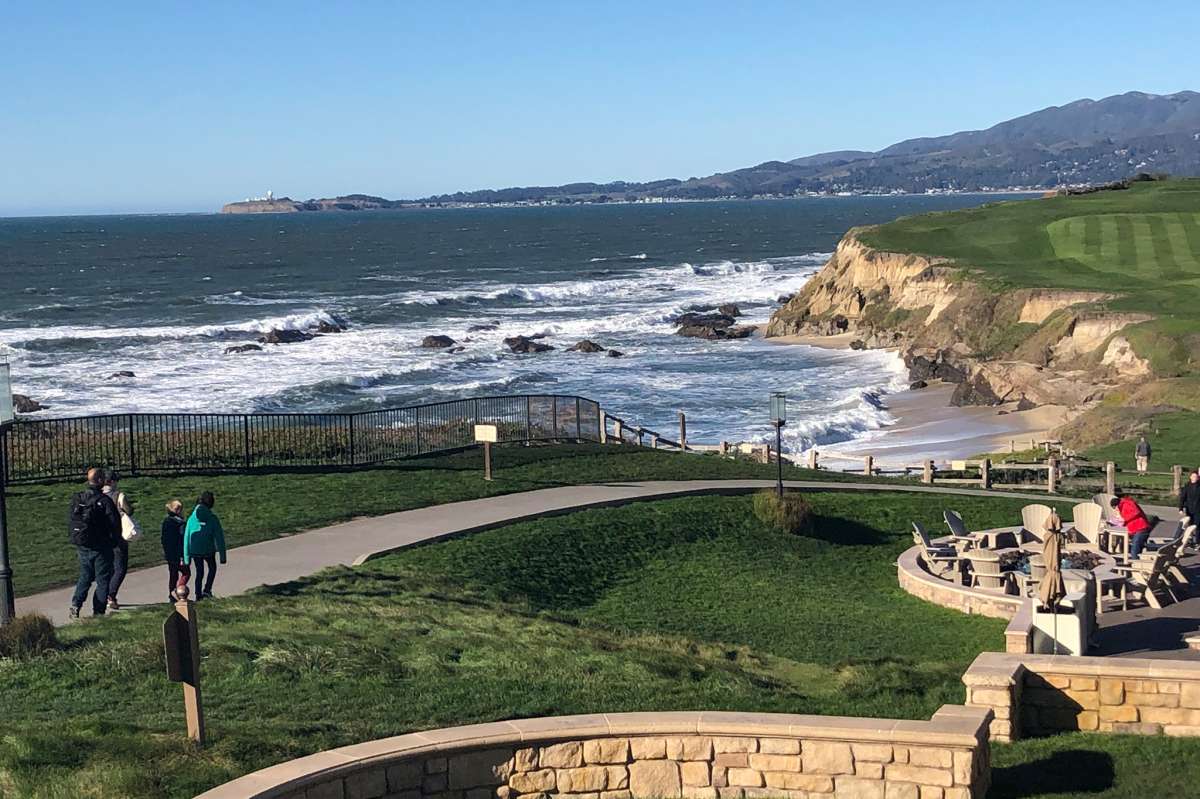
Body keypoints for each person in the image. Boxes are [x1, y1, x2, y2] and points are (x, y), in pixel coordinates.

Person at [68, 467, 122, 619]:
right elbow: (115, 524)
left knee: (85, 575)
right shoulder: (104, 501)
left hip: (83, 544)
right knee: (103, 579)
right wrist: (115, 542)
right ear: (100, 481)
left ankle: (75, 604)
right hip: (101, 546)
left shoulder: (78, 498)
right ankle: (98, 612)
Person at [101, 471, 139, 610]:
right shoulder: (119, 495)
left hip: (103, 536)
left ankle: (103, 594)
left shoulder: (99, 495)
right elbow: (128, 511)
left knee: (107, 567)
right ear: (111, 482)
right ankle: (111, 595)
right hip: (118, 536)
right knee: (120, 568)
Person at [183, 491, 227, 599]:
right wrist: (222, 556)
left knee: (199, 572)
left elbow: (186, 538)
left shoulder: (191, 519)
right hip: (208, 549)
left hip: (195, 550)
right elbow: (219, 538)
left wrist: (186, 558)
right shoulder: (212, 519)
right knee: (212, 568)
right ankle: (207, 590)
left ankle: (198, 594)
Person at [161, 500, 188, 602]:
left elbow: (163, 539)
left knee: (173, 574)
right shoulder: (180, 524)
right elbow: (182, 540)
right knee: (186, 573)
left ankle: (171, 593)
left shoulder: (166, 522)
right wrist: (182, 556)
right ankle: (179, 591)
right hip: (178, 553)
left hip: (169, 553)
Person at [1111, 494, 1153, 559]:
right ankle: (1133, 560)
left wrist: (1124, 519)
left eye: (1114, 507)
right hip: (1135, 529)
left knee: (1135, 547)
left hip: (1141, 528)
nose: (1115, 509)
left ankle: (1135, 563)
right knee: (1132, 546)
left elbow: (1136, 512)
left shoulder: (1127, 504)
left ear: (1116, 505)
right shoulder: (1122, 506)